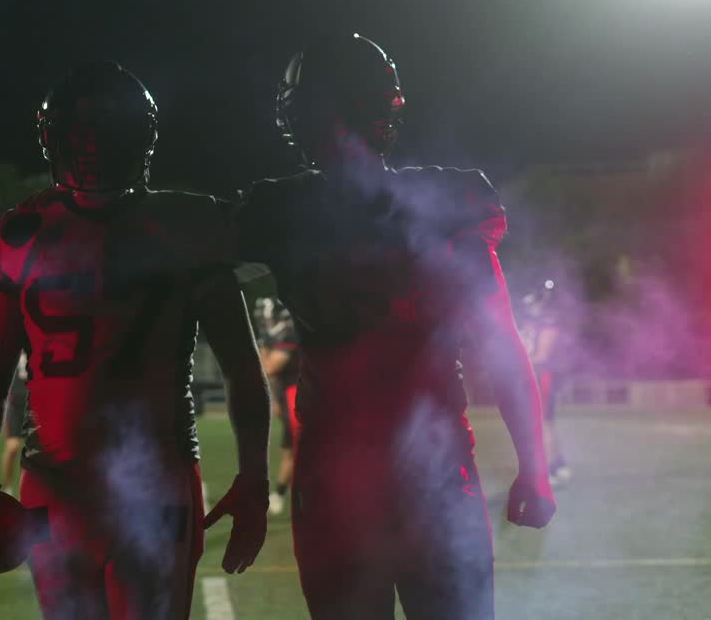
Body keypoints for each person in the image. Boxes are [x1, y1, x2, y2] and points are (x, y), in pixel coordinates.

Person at [233, 33, 556, 619]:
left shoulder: (279, 212)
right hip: (431, 480)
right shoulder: (446, 201)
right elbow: (501, 345)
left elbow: (189, 274)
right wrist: (533, 467)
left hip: (340, 484)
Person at [0, 61, 270, 619]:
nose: (92, 148)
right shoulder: (187, 223)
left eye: (105, 134)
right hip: (81, 486)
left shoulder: (22, 233)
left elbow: (242, 365)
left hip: (132, 481)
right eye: (80, 135)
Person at [519, 280, 569, 488]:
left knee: (543, 424)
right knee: (546, 423)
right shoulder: (536, 324)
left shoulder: (542, 325)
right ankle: (558, 465)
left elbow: (540, 356)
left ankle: (549, 470)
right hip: (537, 376)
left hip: (541, 375)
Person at [258, 302, 300, 516]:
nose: (266, 324)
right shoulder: (282, 335)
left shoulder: (290, 334)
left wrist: (264, 347)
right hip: (290, 403)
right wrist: (275, 401)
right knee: (290, 453)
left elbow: (269, 369)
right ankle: (280, 495)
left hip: (300, 404)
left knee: (299, 453)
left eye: (269, 320)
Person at [0, 350, 30, 498]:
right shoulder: (14, 343)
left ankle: (29, 491)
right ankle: (8, 487)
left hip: (34, 398)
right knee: (13, 446)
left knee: (35, 450)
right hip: (15, 401)